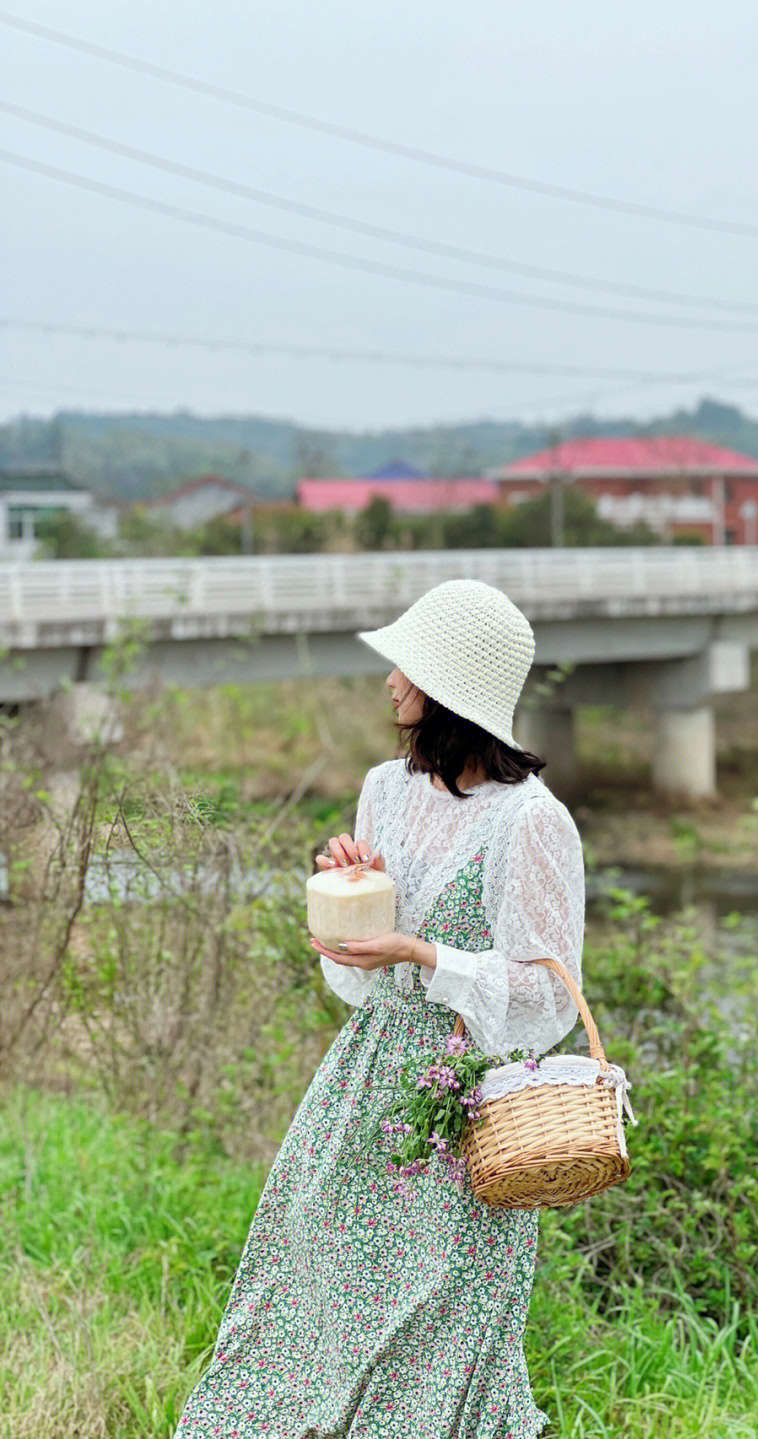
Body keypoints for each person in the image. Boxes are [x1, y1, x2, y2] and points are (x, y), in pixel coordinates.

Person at [175, 578, 585, 1439]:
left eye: (408, 666)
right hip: (363, 1086)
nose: (390, 683)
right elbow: (356, 980)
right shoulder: (385, 790)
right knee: (306, 1292)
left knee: (435, 1325)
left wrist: (424, 953)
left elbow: (547, 1002)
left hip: (463, 1107)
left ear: (448, 687)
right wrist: (356, 895)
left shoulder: (532, 822)